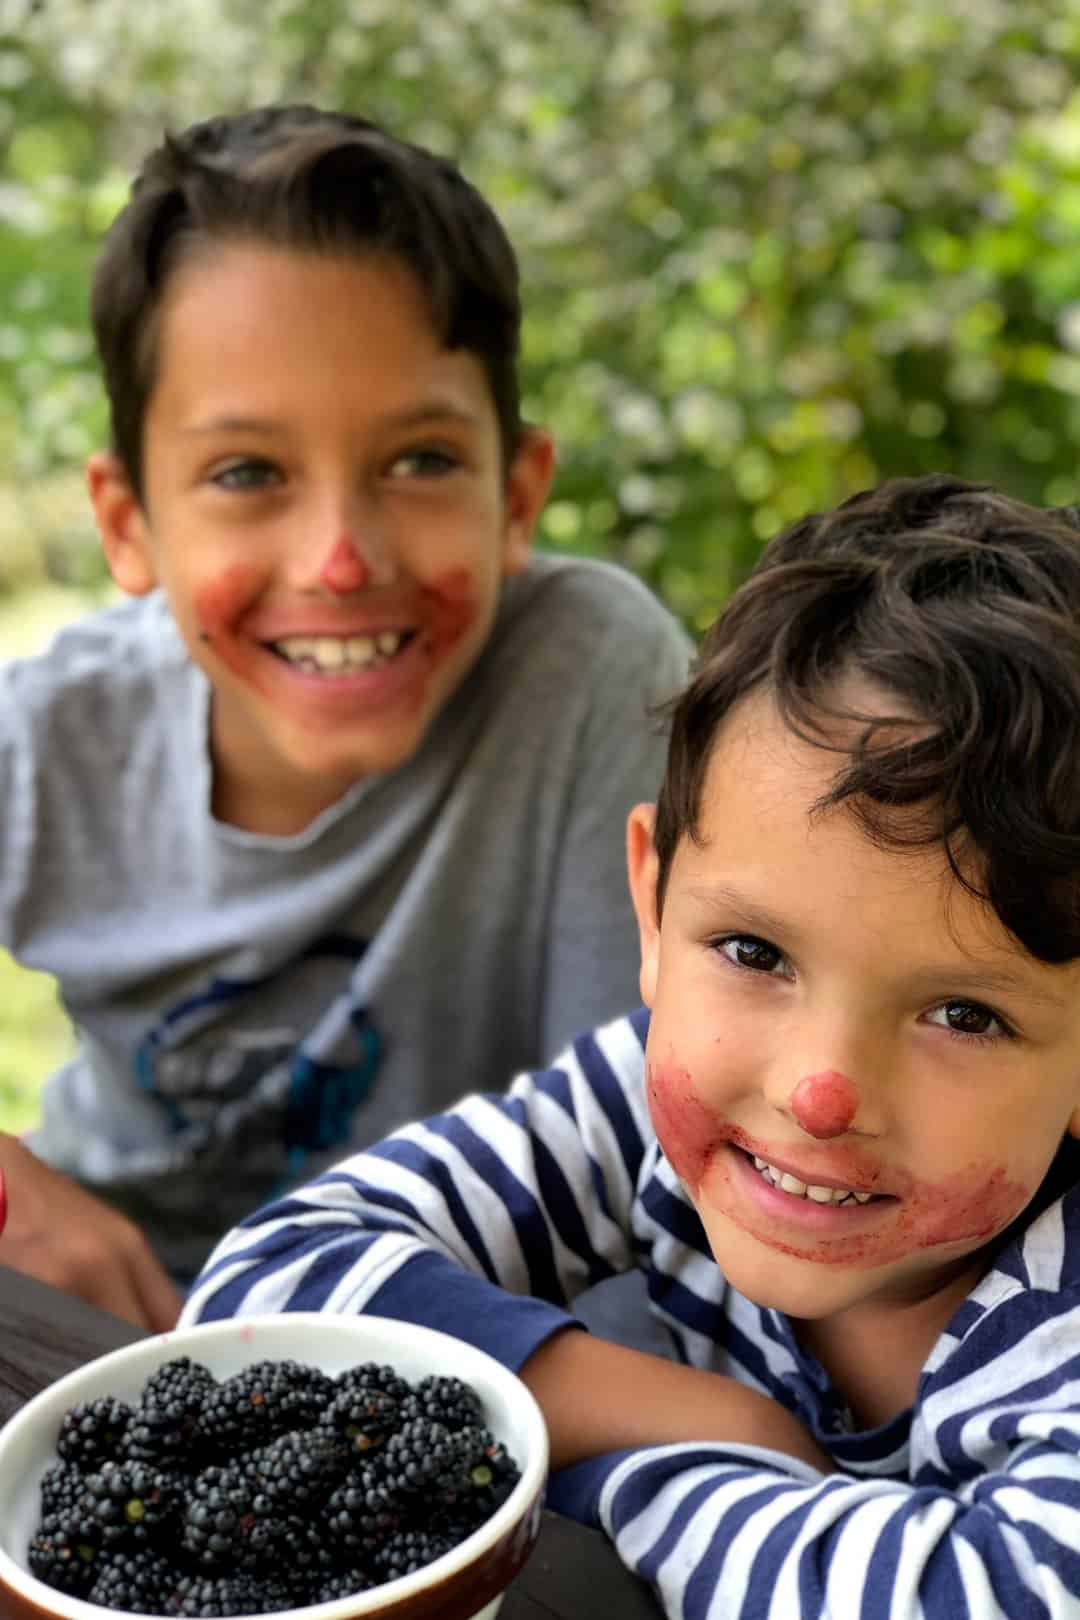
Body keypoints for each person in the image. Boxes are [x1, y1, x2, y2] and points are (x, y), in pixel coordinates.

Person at [185, 473, 1080, 1619]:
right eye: (755, 951)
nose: (817, 1092)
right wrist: (718, 1417)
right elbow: (265, 1296)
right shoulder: (645, 1098)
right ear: (654, 909)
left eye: (964, 1013)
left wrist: (606, 1470)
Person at [0, 104, 691, 1329]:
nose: (338, 559)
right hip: (117, 1335)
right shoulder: (52, 739)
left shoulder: (587, 673)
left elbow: (653, 1180)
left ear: (516, 494)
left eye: (419, 461)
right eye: (247, 474)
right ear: (127, 523)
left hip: (480, 1355)